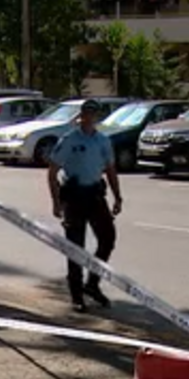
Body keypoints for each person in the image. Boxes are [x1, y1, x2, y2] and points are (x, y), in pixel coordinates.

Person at [47, 99, 123, 313]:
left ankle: (92, 284)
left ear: (97, 116)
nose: (89, 117)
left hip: (95, 195)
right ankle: (77, 294)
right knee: (75, 248)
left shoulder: (103, 141)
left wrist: (118, 197)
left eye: (93, 113)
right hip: (74, 197)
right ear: (81, 116)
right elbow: (52, 171)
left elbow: (110, 170)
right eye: (86, 113)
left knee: (107, 239)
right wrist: (56, 202)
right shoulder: (69, 140)